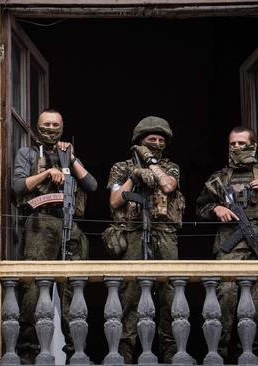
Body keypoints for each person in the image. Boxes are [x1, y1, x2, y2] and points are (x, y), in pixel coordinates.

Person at [196, 126, 258, 362]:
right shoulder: (219, 179)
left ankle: (249, 359)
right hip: (228, 254)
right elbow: (199, 209)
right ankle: (219, 358)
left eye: (241, 143)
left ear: (252, 145)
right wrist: (216, 208)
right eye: (233, 144)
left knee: (256, 314)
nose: (236, 147)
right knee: (223, 307)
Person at [12, 108, 97, 363]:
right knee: (34, 291)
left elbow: (91, 185)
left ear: (62, 127)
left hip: (69, 224)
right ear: (38, 127)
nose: (51, 128)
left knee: (74, 290)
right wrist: (48, 173)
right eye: (46, 124)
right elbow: (17, 186)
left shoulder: (68, 154)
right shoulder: (27, 153)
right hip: (40, 223)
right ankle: (29, 352)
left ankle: (76, 353)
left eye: (55, 124)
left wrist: (69, 159)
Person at [104, 116, 185, 363]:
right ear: (140, 141)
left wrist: (151, 163)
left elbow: (169, 186)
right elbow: (115, 200)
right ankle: (125, 356)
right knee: (129, 298)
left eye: (162, 140)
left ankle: (172, 356)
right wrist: (135, 174)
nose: (158, 143)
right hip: (133, 237)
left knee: (170, 299)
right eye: (152, 139)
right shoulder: (120, 168)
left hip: (165, 237)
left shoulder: (170, 167)